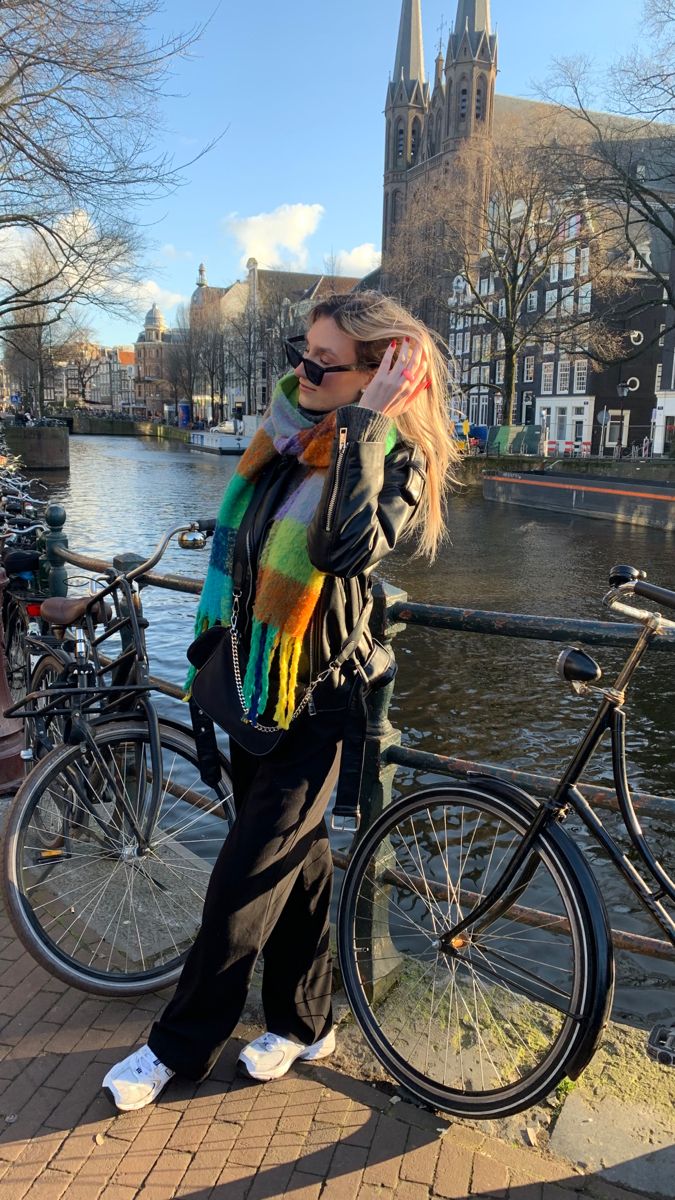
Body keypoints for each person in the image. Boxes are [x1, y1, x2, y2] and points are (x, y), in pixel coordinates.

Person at [102, 290, 459, 1112]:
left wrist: (366, 426)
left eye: (320, 363)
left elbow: (344, 548)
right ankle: (304, 1023)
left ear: (379, 375)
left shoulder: (394, 457)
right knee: (297, 868)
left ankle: (176, 1046)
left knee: (241, 877)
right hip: (249, 686)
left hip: (321, 696)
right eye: (301, 352)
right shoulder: (283, 439)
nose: (300, 371)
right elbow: (247, 556)